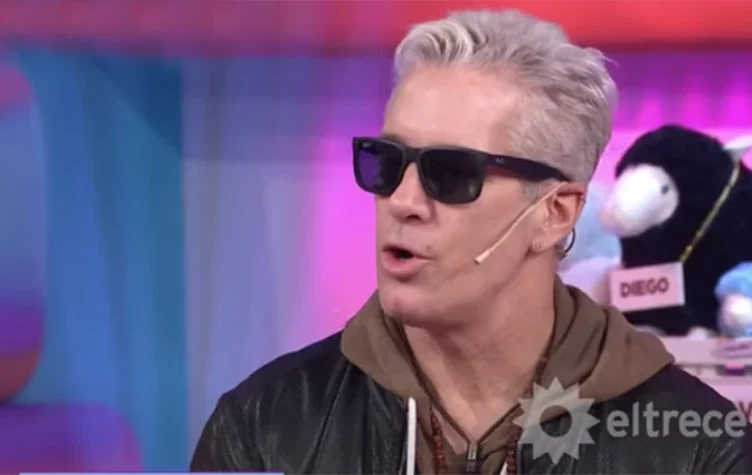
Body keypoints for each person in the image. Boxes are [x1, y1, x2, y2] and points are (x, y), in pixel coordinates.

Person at [190, 9, 752, 475]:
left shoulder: (700, 449)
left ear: (554, 213)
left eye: (451, 172)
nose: (403, 201)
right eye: (388, 162)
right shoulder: (264, 426)